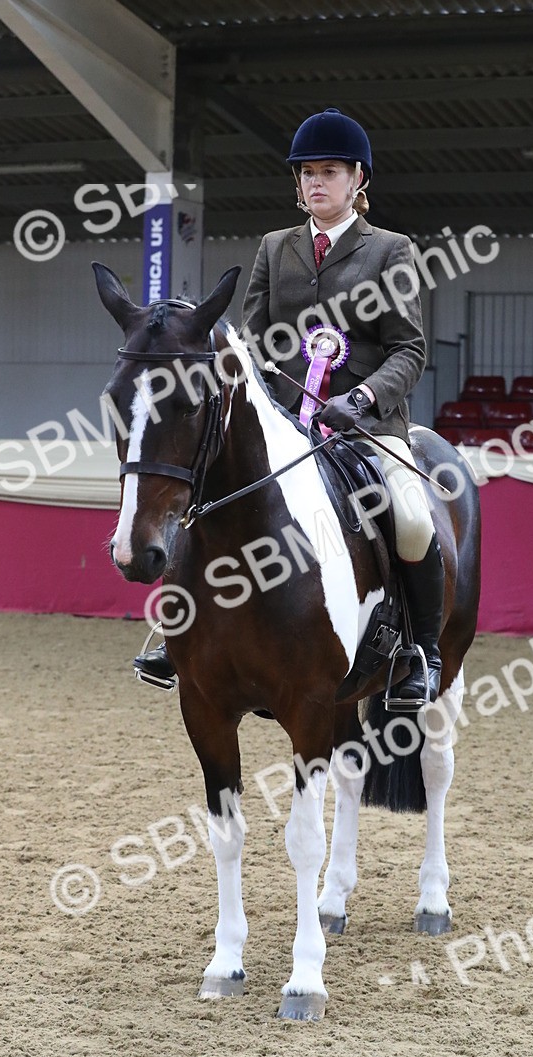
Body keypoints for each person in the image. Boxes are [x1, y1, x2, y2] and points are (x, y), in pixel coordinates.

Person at [135, 107, 444, 705]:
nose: (316, 183)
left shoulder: (391, 251)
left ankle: (419, 653)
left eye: (330, 171)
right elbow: (251, 344)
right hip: (284, 425)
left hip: (365, 427)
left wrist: (360, 398)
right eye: (307, 173)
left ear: (359, 179)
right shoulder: (276, 249)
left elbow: (409, 349)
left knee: (411, 515)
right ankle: (175, 631)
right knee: (205, 496)